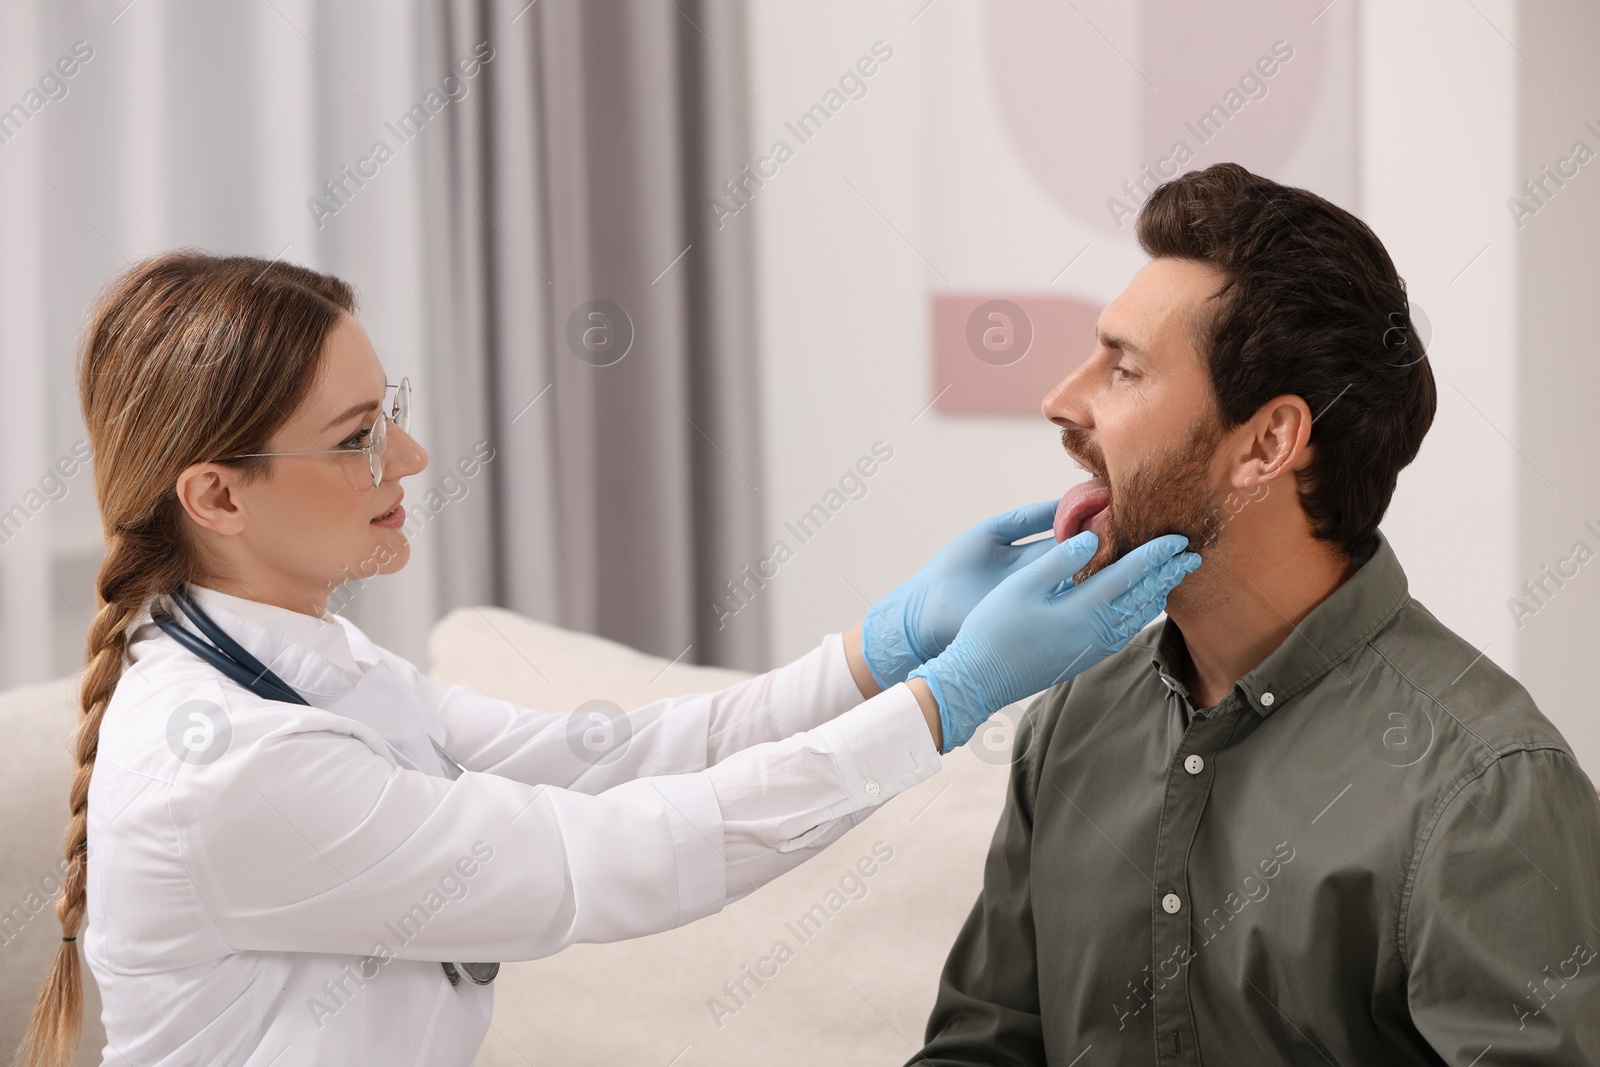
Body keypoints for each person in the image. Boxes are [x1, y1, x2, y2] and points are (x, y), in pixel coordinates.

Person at [15, 250, 1199, 1067]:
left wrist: (886, 645)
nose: (411, 456)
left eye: (393, 408)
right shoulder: (227, 765)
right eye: (357, 439)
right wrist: (953, 699)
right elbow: (628, 851)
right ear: (216, 493)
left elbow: (604, 757)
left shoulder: (309, 660)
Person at [912, 163, 1600, 1065]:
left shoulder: (1487, 788)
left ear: (1268, 442)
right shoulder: (1070, 725)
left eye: (1123, 368)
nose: (1061, 402)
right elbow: (984, 1044)